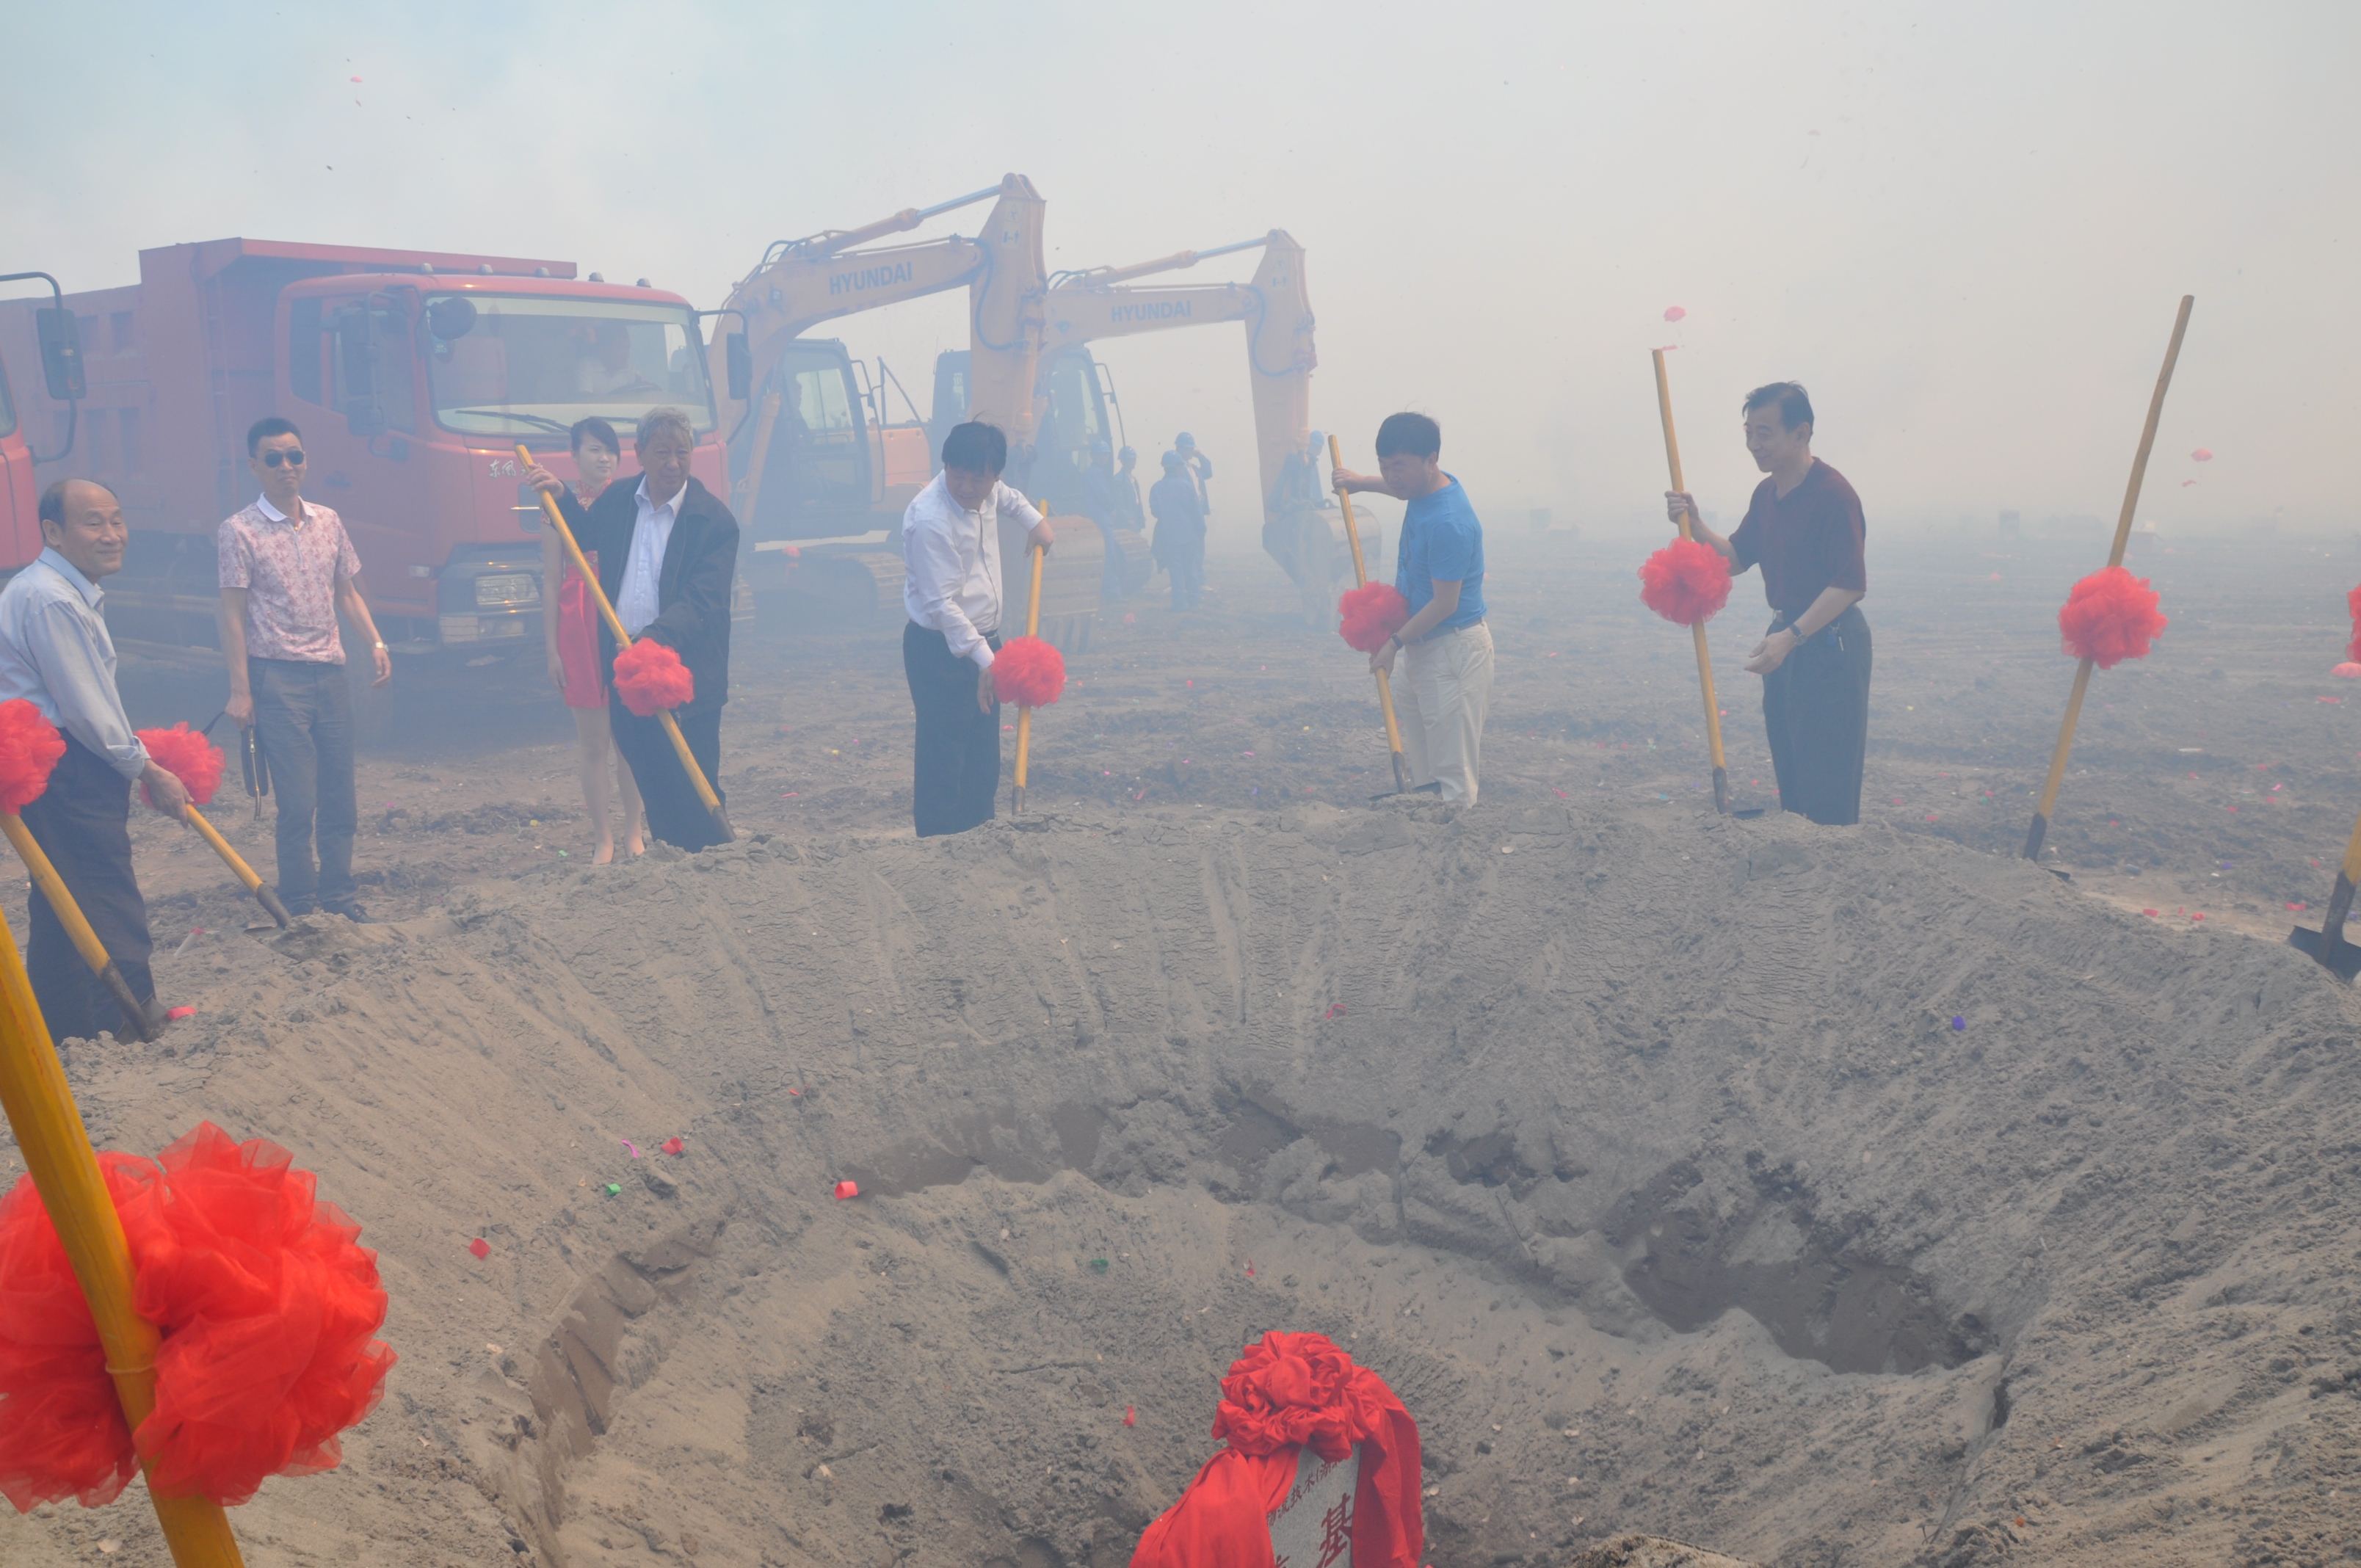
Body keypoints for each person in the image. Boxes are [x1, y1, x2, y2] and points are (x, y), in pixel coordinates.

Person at [0, 481, 189, 1040]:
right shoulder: (52, 599)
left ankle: (64, 1028)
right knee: (105, 890)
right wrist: (147, 769)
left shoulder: (53, 589)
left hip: (56, 764)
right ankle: (133, 1017)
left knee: (63, 898)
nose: (111, 535)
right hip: (68, 767)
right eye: (93, 523)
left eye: (116, 520)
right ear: (54, 532)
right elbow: (85, 707)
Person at [527, 407, 737, 853]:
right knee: (649, 771)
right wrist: (561, 495)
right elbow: (585, 535)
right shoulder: (620, 500)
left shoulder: (713, 521)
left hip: (685, 668)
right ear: (640, 454)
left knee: (693, 773)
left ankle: (712, 857)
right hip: (627, 663)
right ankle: (670, 854)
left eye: (682, 453)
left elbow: (704, 600)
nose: (673, 464)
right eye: (662, 453)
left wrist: (654, 639)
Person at [1665, 382, 1869, 827]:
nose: (1754, 445)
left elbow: (1850, 584)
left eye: (1765, 433)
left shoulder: (1834, 495)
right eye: (1749, 433)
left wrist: (1792, 636)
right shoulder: (1767, 494)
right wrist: (1694, 523)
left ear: (1801, 433)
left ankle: (1831, 859)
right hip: (1786, 640)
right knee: (1791, 763)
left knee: (1827, 774)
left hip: (1828, 643)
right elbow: (1736, 559)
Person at [219, 417, 392, 919]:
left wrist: (376, 642)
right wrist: (241, 689)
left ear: (305, 460)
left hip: (331, 675)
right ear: (254, 466)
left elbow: (347, 593)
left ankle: (339, 896)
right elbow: (232, 614)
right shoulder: (239, 531)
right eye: (273, 458)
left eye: (294, 456)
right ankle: (299, 902)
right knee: (297, 802)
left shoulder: (328, 521)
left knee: (340, 797)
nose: (286, 466)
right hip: (276, 679)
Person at [900, 421, 1053, 837]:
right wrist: (987, 660)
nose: (966, 487)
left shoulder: (990, 491)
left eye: (978, 479)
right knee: (944, 754)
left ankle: (980, 840)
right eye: (958, 475)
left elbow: (1009, 498)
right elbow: (942, 606)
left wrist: (1035, 522)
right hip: (940, 649)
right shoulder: (930, 520)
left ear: (995, 475)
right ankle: (938, 847)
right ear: (945, 466)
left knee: (983, 756)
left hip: (986, 644)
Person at [1332, 413, 1493, 805]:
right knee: (1425, 773)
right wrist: (1361, 483)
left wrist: (1393, 644)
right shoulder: (1426, 488)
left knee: (1452, 776)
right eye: (1385, 467)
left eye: (1399, 467)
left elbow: (1445, 603)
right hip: (1422, 647)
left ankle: (1459, 834)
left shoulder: (1449, 523)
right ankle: (1428, 833)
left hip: (1452, 651)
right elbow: (1401, 490)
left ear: (1431, 460)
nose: (1392, 477)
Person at [541, 417, 644, 863]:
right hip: (578, 625)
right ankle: (603, 838)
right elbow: (551, 580)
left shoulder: (630, 502)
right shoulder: (555, 505)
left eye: (611, 450)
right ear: (574, 455)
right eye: (594, 449)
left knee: (630, 742)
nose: (605, 458)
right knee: (593, 743)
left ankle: (634, 833)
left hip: (622, 618)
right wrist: (552, 649)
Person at [1149, 451, 1207, 611]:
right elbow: (1196, 511)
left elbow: (1155, 512)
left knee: (1175, 570)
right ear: (1178, 467)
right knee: (1190, 567)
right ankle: (1194, 597)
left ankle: (1179, 603)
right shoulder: (1187, 486)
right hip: (1188, 534)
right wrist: (1201, 529)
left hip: (1168, 536)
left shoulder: (1156, 488)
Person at [1082, 439, 1128, 603]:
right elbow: (1103, 495)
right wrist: (1112, 507)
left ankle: (1109, 589)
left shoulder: (1096, 472)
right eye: (1102, 455)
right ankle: (1112, 591)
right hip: (1102, 519)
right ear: (1094, 456)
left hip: (1101, 518)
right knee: (1109, 555)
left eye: (1106, 454)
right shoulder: (1095, 473)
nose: (1105, 457)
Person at [1172, 431, 1213, 515]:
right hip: (1187, 512)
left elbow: (1208, 473)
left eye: (1192, 448)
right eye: (1189, 448)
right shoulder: (1176, 470)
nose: (1192, 451)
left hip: (1199, 510)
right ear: (1180, 449)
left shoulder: (1193, 469)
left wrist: (1201, 457)